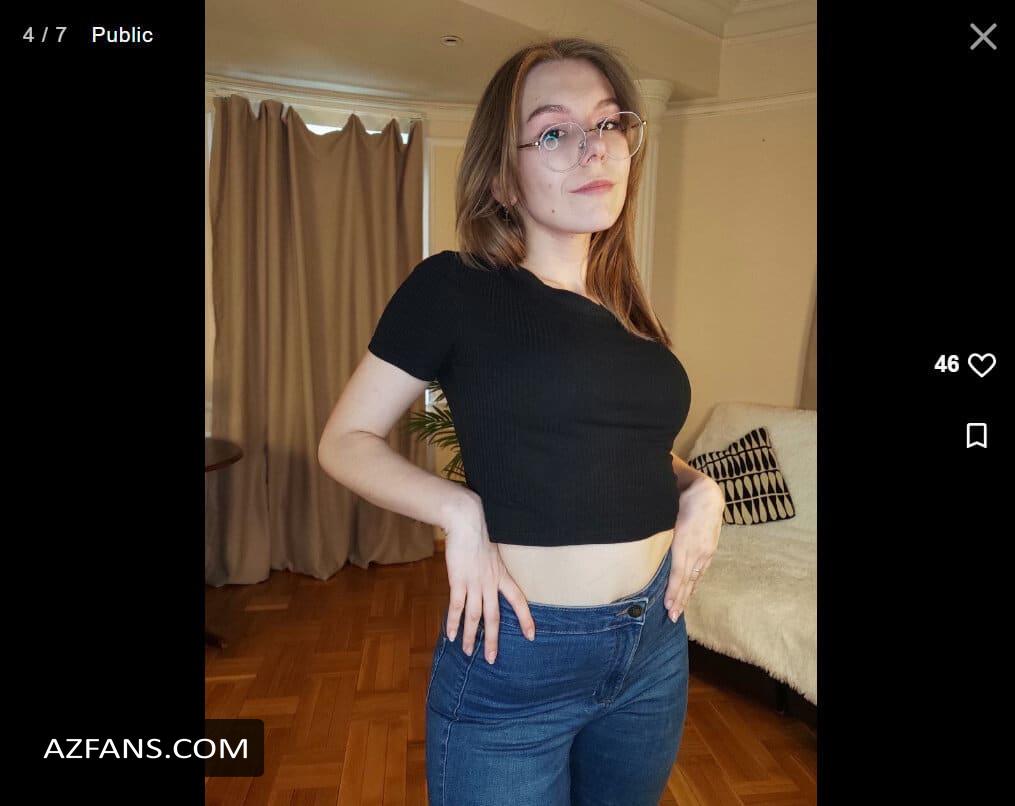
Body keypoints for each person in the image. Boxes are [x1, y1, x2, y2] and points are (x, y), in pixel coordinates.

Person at [318, 37, 724, 806]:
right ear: (502, 178)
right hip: (518, 655)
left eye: (608, 123)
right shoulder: (454, 287)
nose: (592, 148)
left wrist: (699, 487)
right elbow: (344, 441)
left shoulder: (625, 308)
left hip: (653, 643)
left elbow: (626, 451)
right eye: (553, 132)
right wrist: (458, 512)